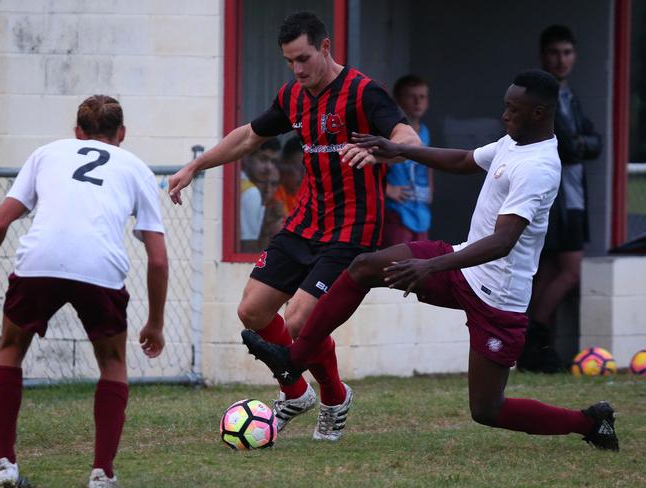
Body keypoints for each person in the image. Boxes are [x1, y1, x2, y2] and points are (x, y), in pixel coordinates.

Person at [242, 70, 619, 452]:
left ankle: (589, 421)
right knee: (365, 267)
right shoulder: (514, 142)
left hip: (498, 297)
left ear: (538, 112)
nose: (504, 115)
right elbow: (463, 160)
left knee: (487, 409)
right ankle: (294, 361)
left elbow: (503, 242)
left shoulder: (538, 167)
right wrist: (400, 149)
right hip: (461, 262)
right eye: (506, 106)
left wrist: (430, 267)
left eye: (512, 109)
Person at [168, 11, 419, 441]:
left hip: (352, 230)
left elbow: (409, 138)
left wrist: (382, 152)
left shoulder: (363, 93)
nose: (298, 69)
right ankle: (297, 391)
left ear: (325, 47)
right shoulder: (294, 97)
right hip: (305, 223)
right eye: (289, 61)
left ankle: (335, 398)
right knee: (252, 311)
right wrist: (196, 164)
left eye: (303, 58)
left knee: (301, 319)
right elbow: (249, 136)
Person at [0, 96, 168, 488]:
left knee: (9, 350)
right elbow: (158, 260)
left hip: (40, 259)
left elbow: (1, 220)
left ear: (77, 132)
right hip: (99, 266)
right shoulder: (136, 167)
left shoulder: (46, 153)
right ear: (121, 133)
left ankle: (3, 464)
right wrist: (156, 323)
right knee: (112, 364)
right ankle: (102, 474)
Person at [519, 25, 602, 373]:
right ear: (543, 56)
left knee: (552, 270)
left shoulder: (569, 94)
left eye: (567, 53)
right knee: (570, 271)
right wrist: (581, 144)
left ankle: (534, 345)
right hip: (557, 197)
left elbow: (594, 142)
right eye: (555, 53)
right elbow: (568, 146)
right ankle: (532, 337)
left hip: (571, 194)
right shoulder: (542, 98)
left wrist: (582, 144)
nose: (561, 59)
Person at [382, 75, 433, 247]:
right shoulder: (389, 132)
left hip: (420, 209)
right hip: (397, 210)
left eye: (422, 97)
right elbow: (372, 163)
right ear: (397, 100)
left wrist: (430, 189)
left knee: (420, 260)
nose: (418, 101)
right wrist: (388, 189)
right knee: (397, 263)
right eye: (411, 96)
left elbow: (428, 161)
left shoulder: (425, 131)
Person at [240, 139, 281, 252]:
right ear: (247, 158)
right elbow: (248, 246)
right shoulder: (251, 193)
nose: (269, 167)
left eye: (273, 161)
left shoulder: (239, 184)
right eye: (263, 159)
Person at [274, 136, 305, 215]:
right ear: (284, 164)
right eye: (298, 168)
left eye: (308, 170)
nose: (303, 176)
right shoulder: (272, 193)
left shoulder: (310, 197)